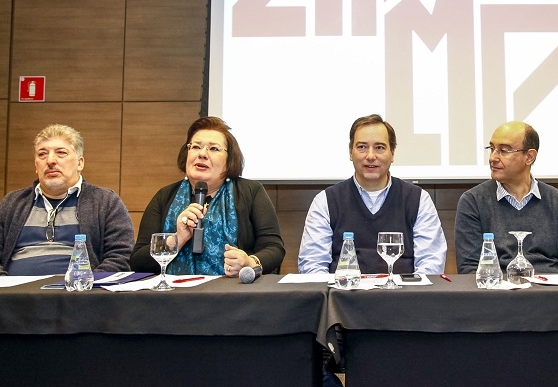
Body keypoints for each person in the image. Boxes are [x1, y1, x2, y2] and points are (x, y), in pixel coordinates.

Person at [130, 116, 285, 276]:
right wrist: (177, 239)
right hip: (175, 296)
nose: (202, 154)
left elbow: (274, 248)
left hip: (233, 295)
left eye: (214, 149)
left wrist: (248, 262)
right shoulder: (164, 197)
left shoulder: (250, 192)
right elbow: (137, 261)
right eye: (196, 147)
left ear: (229, 159)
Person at [298, 114, 447, 275]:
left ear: (392, 153)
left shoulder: (418, 199)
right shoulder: (326, 201)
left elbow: (431, 263)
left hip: (403, 297)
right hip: (344, 297)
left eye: (379, 147)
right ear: (350, 152)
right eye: (362, 147)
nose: (370, 156)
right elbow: (312, 266)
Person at [455, 121, 558, 274]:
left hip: (551, 293)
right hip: (496, 293)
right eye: (492, 149)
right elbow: (469, 270)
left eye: (504, 150)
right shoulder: (473, 201)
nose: (493, 158)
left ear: (529, 157)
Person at [0, 124, 134, 275]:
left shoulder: (105, 202)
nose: (50, 160)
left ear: (80, 163)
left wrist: (88, 286)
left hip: (80, 294)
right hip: (15, 294)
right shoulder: (12, 203)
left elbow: (121, 256)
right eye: (42, 154)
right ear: (36, 165)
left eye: (61, 153)